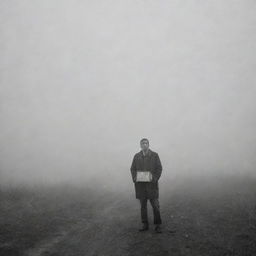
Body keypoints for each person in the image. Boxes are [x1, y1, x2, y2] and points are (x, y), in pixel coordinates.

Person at [130, 138, 163, 233]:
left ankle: (158, 225)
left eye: (146, 143)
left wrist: (155, 178)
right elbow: (132, 168)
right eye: (143, 143)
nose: (144, 145)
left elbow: (159, 168)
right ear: (140, 145)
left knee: (155, 205)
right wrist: (135, 177)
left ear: (148, 145)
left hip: (152, 186)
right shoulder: (136, 156)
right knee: (143, 206)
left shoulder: (155, 155)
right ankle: (145, 224)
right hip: (141, 187)